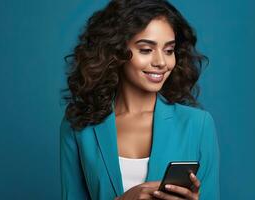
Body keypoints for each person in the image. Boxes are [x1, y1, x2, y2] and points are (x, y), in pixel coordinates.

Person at [60, 0, 220, 199]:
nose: (161, 62)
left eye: (169, 51)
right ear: (115, 51)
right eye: (146, 50)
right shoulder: (79, 125)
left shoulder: (198, 125)